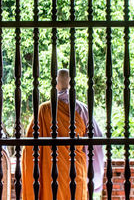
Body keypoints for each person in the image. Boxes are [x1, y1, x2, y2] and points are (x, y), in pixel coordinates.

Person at [22, 69, 104, 200]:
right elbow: (96, 146)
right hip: (75, 172)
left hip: (48, 173)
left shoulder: (43, 110)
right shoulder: (83, 109)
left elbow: (29, 145)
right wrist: (96, 179)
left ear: (55, 85)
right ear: (71, 84)